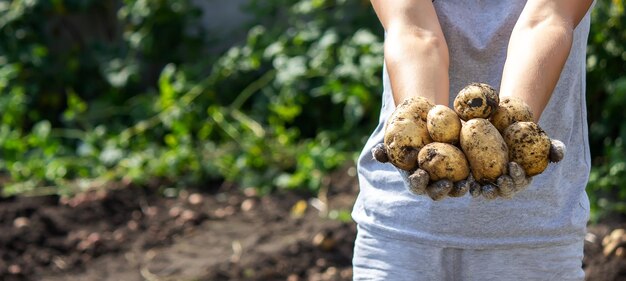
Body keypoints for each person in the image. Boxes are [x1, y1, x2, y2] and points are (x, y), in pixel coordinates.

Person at [352, 0, 595, 280]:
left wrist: (515, 136)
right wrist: (422, 148)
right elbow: (414, 30)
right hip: (400, 229)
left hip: (534, 229)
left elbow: (546, 19)